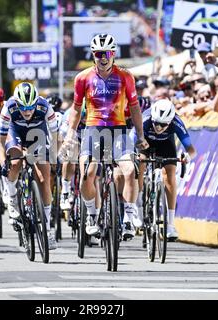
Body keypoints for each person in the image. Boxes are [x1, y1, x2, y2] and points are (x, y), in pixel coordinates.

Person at [59, 33, 148, 240]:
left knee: (129, 171)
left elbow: (134, 107)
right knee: (87, 173)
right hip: (93, 130)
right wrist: (71, 134)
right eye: (99, 54)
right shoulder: (82, 78)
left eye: (107, 53)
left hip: (118, 130)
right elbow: (75, 108)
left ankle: (128, 217)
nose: (103, 58)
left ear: (113, 53)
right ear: (93, 54)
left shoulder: (125, 76)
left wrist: (141, 135)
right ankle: (91, 215)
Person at [0, 82, 58, 250]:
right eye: (23, 108)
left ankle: (46, 227)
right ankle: (12, 197)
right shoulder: (8, 108)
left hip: (38, 135)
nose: (27, 111)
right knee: (15, 162)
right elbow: (0, 143)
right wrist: (3, 163)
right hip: (15, 133)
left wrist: (54, 158)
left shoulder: (45, 107)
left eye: (30, 107)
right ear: (17, 103)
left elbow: (55, 137)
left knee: (44, 178)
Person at [131, 99, 196, 240]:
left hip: (166, 144)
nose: (159, 128)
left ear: (170, 121)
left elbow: (191, 150)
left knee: (170, 175)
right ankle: (139, 207)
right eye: (157, 124)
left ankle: (171, 224)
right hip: (145, 142)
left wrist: (187, 157)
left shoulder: (176, 122)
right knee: (140, 164)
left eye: (163, 125)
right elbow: (132, 139)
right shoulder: (146, 119)